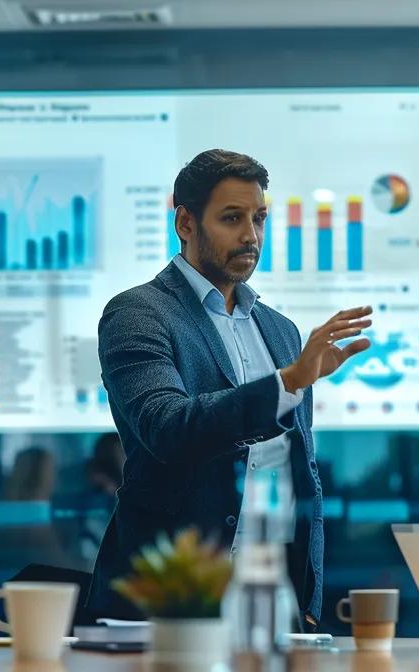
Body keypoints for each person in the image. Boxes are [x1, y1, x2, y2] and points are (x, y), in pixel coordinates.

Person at [89, 149, 374, 629]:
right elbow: (168, 428)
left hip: (273, 599)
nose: (250, 235)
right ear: (185, 223)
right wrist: (289, 382)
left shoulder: (280, 330)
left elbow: (300, 472)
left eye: (259, 218)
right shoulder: (138, 314)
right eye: (231, 218)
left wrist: (308, 595)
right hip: (169, 601)